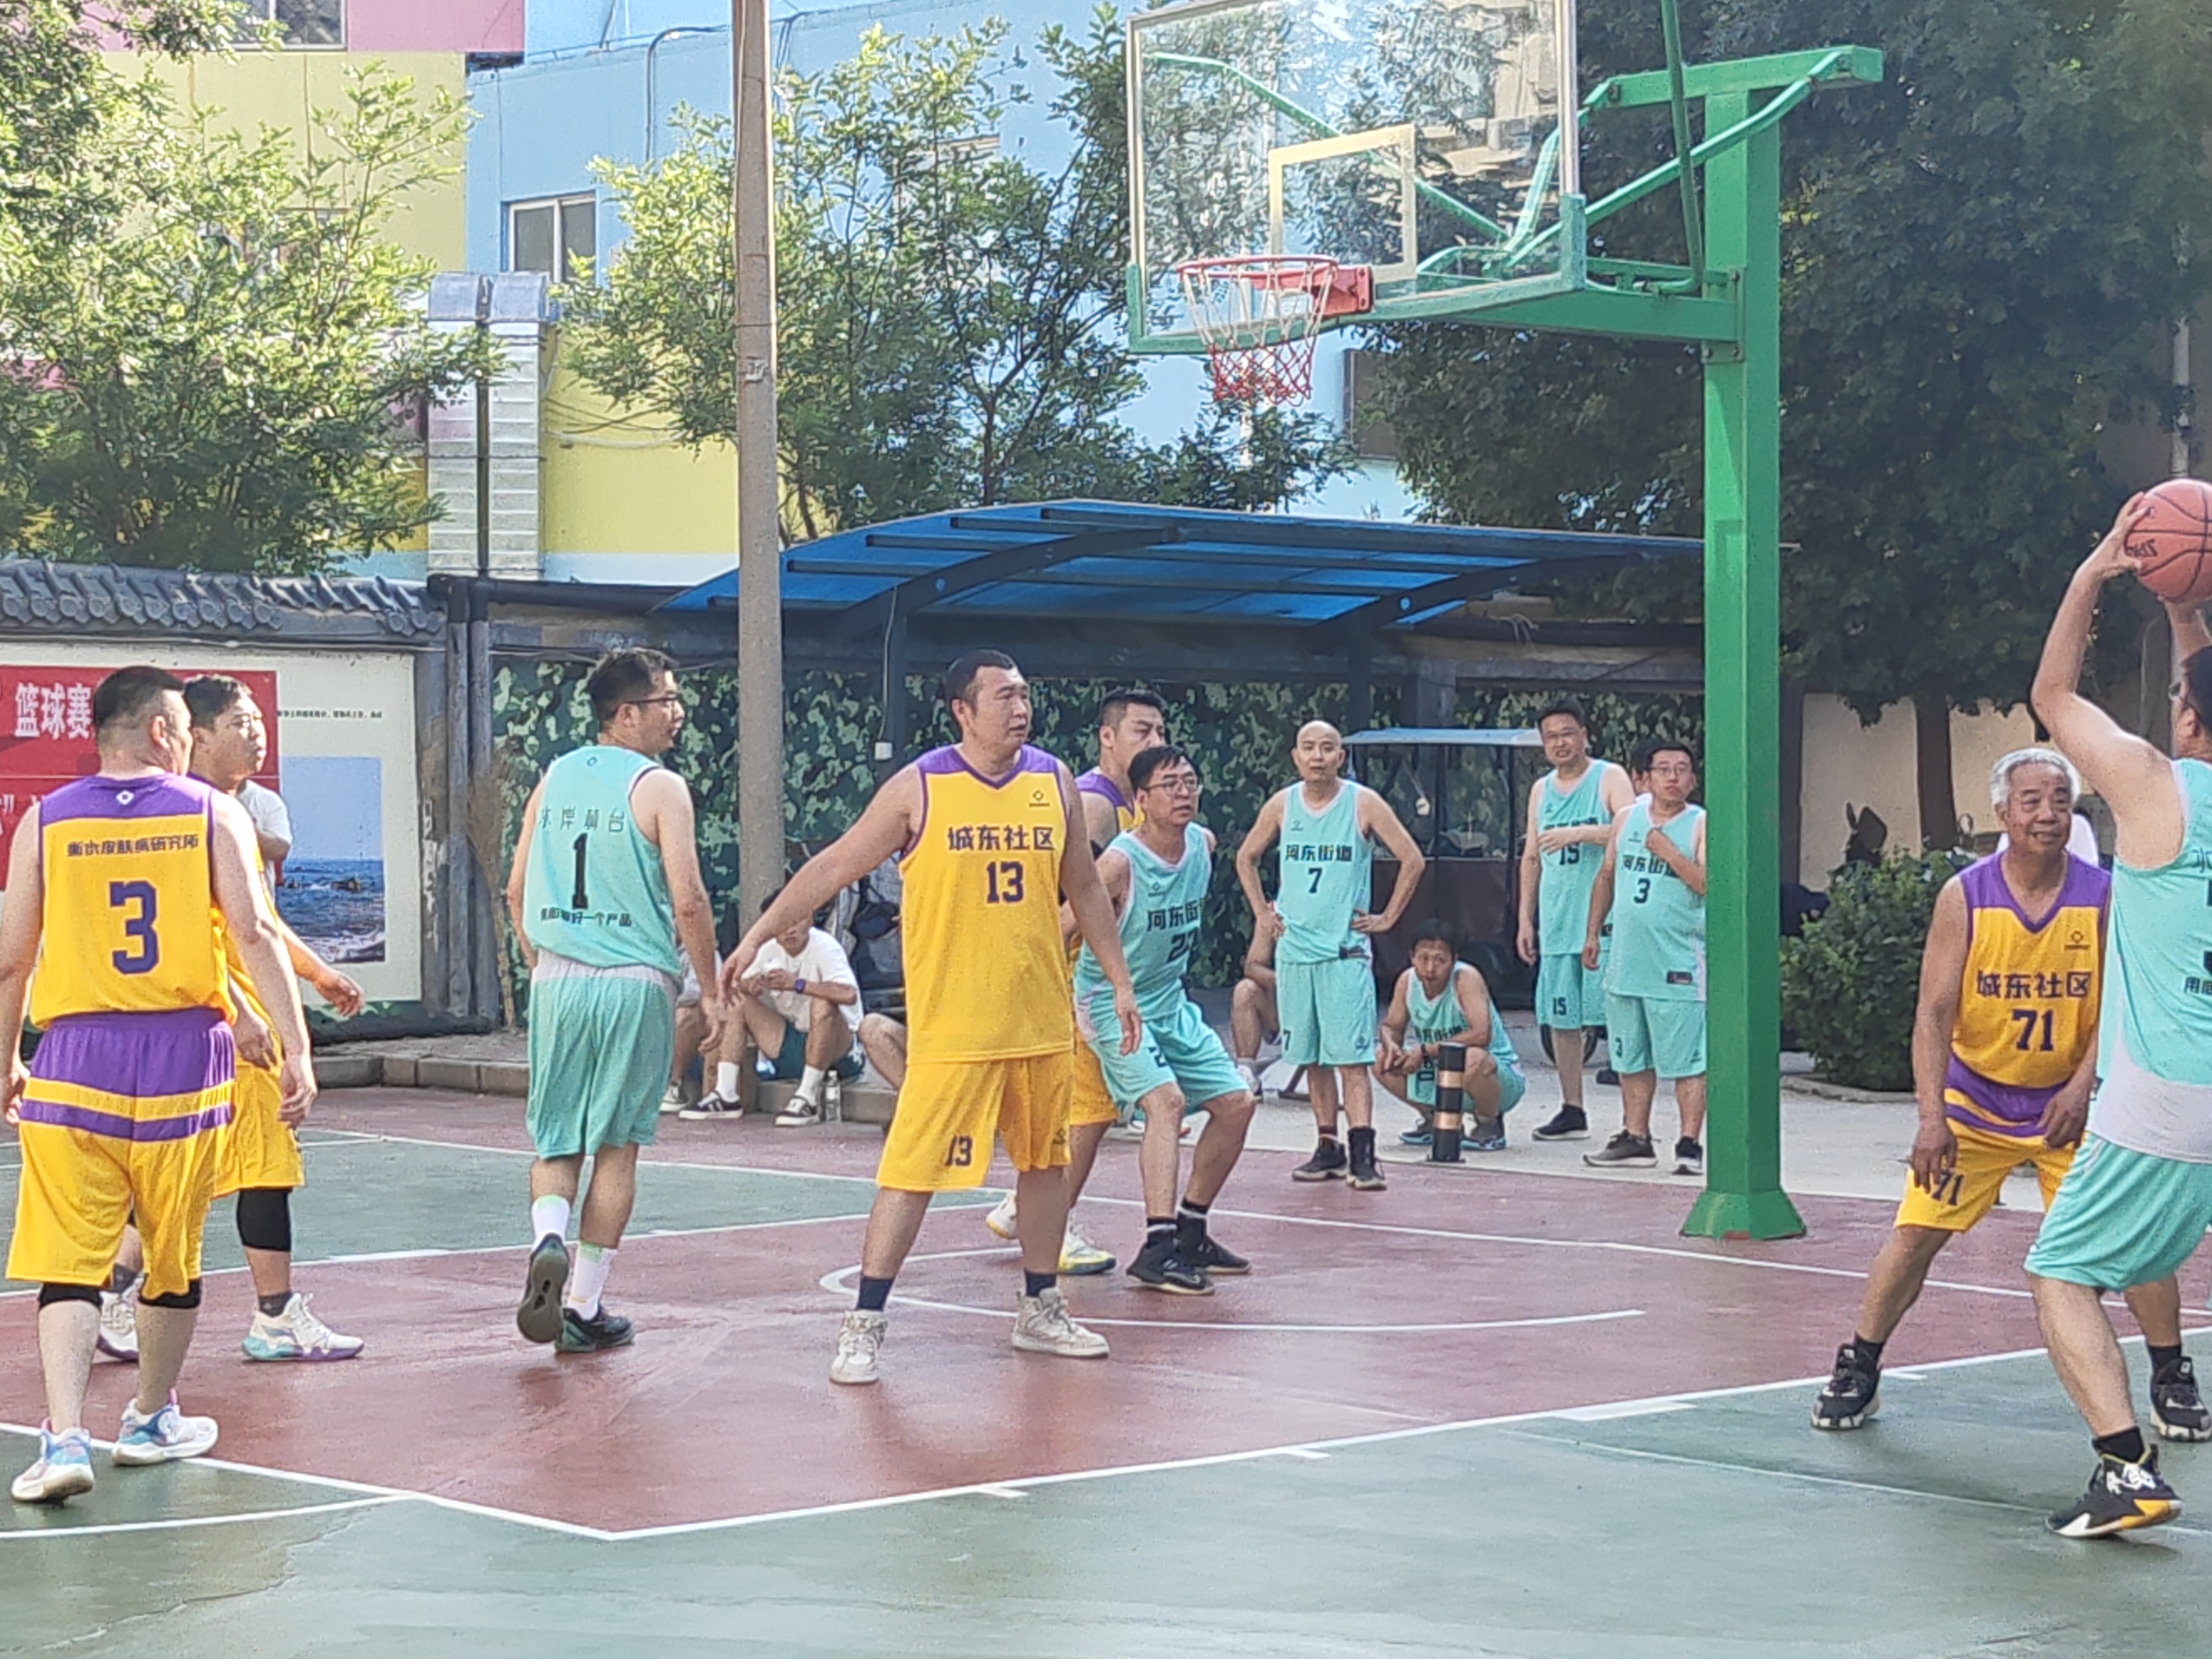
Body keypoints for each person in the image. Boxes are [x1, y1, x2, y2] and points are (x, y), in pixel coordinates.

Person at [723, 650, 1141, 1385]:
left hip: (1039, 1018)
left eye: (1024, 694)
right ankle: (865, 1320)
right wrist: (756, 935)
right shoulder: (921, 787)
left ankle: (1040, 1306)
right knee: (912, 1173)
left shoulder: (1052, 782)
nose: (1020, 708)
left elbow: (1083, 886)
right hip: (955, 1027)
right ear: (962, 711)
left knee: (1045, 1167)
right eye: (1003, 696)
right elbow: (833, 866)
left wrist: (1119, 981)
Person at [1812, 745, 2208, 1439]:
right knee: (1915, 1234)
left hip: (2070, 1105)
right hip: (1977, 1103)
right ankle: (1859, 1363)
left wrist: (2082, 1088)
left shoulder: (2106, 895)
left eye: (2059, 800)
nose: (2047, 814)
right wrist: (1931, 1117)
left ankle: (2170, 1372)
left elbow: (2123, 1004)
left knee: (2134, 1238)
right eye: (2031, 801)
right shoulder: (1965, 896)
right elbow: (1933, 1013)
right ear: (2002, 812)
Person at [4, 667, 315, 1506]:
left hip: (74, 1059)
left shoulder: (46, 820)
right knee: (171, 1254)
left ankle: (64, 1436)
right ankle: (148, 1419)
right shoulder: (212, 813)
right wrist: (295, 1048)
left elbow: (12, 959)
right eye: (182, 726)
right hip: (185, 1062)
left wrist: (5, 1062)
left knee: (71, 1261)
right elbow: (253, 932)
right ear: (159, 732)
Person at [2016, 497, 2212, 1537]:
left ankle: (2126, 1466)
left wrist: (2092, 574)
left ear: (2186, 721)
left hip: (2162, 1093)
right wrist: (2187, 611)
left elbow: (2050, 694)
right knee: (2137, 1259)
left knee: (2060, 1272)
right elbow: (2204, 683)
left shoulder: (2152, 788)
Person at [505, 648, 722, 1355]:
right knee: (618, 1148)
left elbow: (515, 888)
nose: (677, 712)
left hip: (559, 976)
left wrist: (538, 958)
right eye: (666, 701)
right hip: (634, 979)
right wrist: (711, 989)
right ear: (626, 714)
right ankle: (583, 1305)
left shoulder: (555, 776)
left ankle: (547, 1238)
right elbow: (688, 899)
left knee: (555, 1139)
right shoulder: (661, 787)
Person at [184, 676, 369, 1361]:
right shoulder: (192, 816)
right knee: (251, 1163)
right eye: (240, 722)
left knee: (210, 1164)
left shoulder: (234, 810)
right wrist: (237, 1011)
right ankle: (272, 1315)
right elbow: (189, 931)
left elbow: (258, 921)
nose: (257, 732)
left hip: (232, 1015)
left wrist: (316, 971)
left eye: (258, 719)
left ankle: (121, 1294)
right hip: (222, 1021)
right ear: (198, 736)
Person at [984, 689, 1169, 1273]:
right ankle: (1050, 1227)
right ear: (1107, 738)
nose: (1156, 742)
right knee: (1087, 1110)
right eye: (1142, 731)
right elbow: (1075, 899)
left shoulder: (1135, 804)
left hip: (1099, 978)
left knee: (1090, 1107)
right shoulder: (1093, 804)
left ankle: (1023, 1209)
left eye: (1161, 731)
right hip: (1074, 978)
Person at [1070, 745, 1257, 1292]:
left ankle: (1191, 1228)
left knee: (1237, 1104)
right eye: (1169, 785)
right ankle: (1158, 1246)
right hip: (1111, 1002)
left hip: (1168, 1000)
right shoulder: (1119, 864)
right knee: (1165, 1104)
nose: (1183, 793)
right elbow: (1063, 922)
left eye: (1190, 782)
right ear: (1141, 800)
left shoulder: (1202, 844)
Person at [1236, 720, 1426, 1191]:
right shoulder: (1283, 804)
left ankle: (1364, 1151)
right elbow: (1246, 857)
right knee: (1311, 1057)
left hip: (1343, 953)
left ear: (1341, 757)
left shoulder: (1363, 803)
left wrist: (1387, 918)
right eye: (1309, 748)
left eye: (1327, 748)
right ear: (1296, 756)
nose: (1317, 756)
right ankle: (1327, 1145)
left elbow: (1412, 858)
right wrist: (1262, 912)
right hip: (1296, 954)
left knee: (1351, 1059)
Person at [1581, 741, 1707, 1174]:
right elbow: (1607, 875)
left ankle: (1689, 1143)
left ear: (1693, 779)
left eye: (1682, 769)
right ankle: (1636, 1136)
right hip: (1626, 959)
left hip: (1677, 961)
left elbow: (1708, 884)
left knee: (1687, 1058)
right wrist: (1592, 932)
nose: (1673, 777)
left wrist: (1669, 853)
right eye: (1663, 769)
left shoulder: (1700, 824)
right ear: (1645, 778)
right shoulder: (1626, 819)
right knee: (1629, 1055)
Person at [1516, 699, 1633, 1142]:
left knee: (1618, 1015)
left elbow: (1634, 830)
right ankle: (1572, 1108)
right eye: (1551, 737)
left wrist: (1579, 833)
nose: (1560, 743)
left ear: (1584, 734)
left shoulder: (1609, 777)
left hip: (1604, 922)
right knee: (1562, 1020)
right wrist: (1525, 919)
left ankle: (1633, 1121)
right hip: (1558, 920)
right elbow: (1532, 857)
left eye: (1568, 733)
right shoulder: (1541, 790)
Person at [695, 891, 865, 1127]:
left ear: (810, 919)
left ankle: (807, 1097)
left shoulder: (826, 947)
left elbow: (849, 994)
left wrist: (798, 984)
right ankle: (726, 1093)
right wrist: (749, 985)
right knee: (738, 1000)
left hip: (839, 1050)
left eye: (796, 921)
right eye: (781, 923)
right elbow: (733, 984)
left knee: (823, 1005)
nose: (789, 930)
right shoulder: (768, 949)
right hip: (794, 1042)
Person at [1375, 920, 1525, 1151]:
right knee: (1379, 1059)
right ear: (1412, 958)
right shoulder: (1407, 981)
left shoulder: (1466, 978)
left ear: (1454, 960)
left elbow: (1482, 1034)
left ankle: (1489, 1122)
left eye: (1440, 960)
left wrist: (1425, 1051)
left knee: (1472, 1058)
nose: (1430, 969)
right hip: (1439, 1070)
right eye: (1423, 958)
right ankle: (1435, 1119)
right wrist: (1392, 1045)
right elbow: (1391, 1026)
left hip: (1495, 1075)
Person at [1230, 923, 1282, 1097]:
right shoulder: (1274, 916)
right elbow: (1252, 967)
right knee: (1245, 991)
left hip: (1331, 998)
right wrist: (1286, 979)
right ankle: (1247, 1071)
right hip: (1285, 1005)